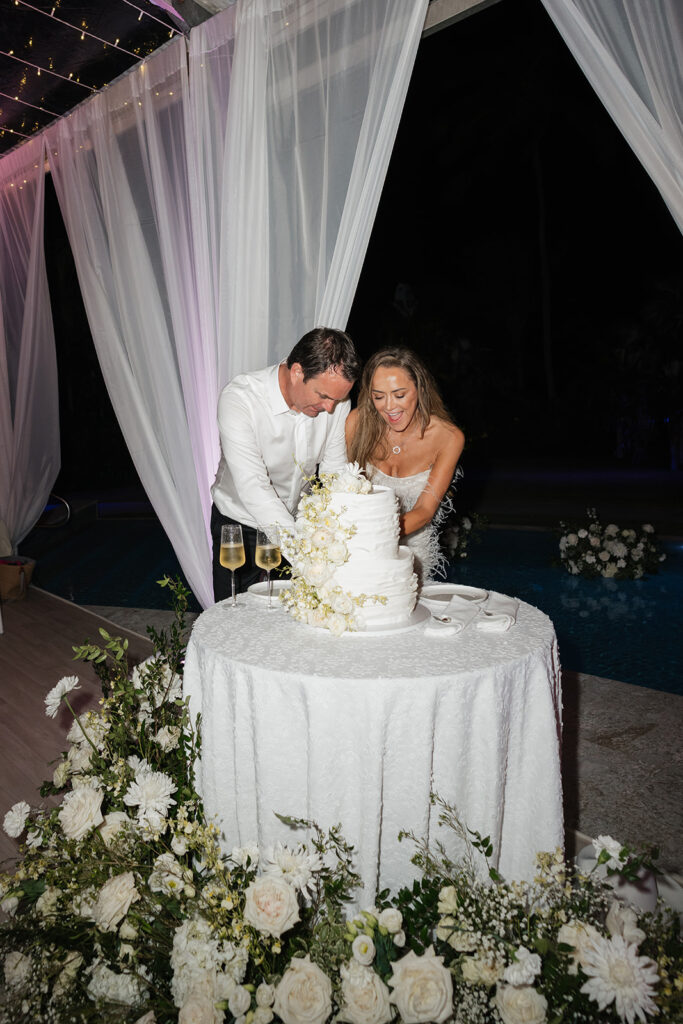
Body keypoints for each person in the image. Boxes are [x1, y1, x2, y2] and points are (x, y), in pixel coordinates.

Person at [211, 327, 359, 599]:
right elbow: (254, 487)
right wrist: (305, 557)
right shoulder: (240, 398)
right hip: (241, 526)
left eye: (336, 400)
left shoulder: (337, 403)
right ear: (297, 372)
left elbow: (333, 475)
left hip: (300, 527)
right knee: (235, 624)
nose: (330, 408)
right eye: (323, 396)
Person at [345, 347, 464, 583]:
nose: (389, 407)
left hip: (411, 554)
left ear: (420, 389)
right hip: (358, 549)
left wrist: (375, 534)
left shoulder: (448, 437)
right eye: (378, 396)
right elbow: (346, 489)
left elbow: (424, 511)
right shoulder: (356, 423)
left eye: (399, 395)